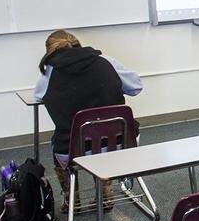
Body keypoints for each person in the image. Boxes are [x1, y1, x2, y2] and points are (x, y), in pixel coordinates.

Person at [33, 30, 143, 211]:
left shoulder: (50, 71)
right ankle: (105, 188)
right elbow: (136, 86)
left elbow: (38, 97)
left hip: (72, 150)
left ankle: (72, 200)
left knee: (65, 140)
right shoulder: (105, 61)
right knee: (99, 136)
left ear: (50, 51)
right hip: (120, 142)